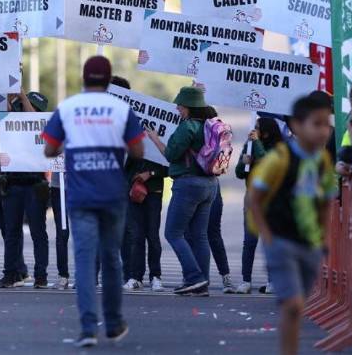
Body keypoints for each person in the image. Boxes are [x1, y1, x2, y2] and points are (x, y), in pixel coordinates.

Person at [42, 56, 144, 348]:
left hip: (80, 196)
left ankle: (88, 328)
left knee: (85, 262)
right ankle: (113, 324)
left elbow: (49, 149)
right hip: (112, 194)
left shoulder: (69, 107)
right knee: (112, 259)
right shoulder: (121, 109)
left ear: (84, 79)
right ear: (109, 79)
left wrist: (71, 141)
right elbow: (138, 150)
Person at [248, 93, 336, 355]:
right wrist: (267, 234)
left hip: (308, 242)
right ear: (296, 125)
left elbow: (326, 201)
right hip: (281, 240)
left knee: (299, 306)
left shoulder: (322, 162)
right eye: (316, 124)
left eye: (326, 125)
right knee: (293, 304)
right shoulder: (280, 158)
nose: (323, 131)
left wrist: (324, 236)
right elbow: (255, 198)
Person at [147, 86, 218, 296]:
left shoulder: (187, 127)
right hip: (210, 184)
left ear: (188, 107)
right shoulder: (210, 125)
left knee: (173, 233)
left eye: (180, 105)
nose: (177, 108)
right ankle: (200, 283)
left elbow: (170, 154)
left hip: (188, 184)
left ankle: (194, 277)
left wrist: (154, 138)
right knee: (200, 236)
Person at [0, 92, 43, 285]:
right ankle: (18, 269)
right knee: (6, 224)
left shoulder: (23, 106)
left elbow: (36, 122)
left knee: (14, 224)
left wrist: (22, 97)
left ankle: (14, 271)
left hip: (18, 170)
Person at [110, 76, 166, 294]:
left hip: (153, 190)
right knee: (134, 234)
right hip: (131, 189)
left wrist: (150, 173)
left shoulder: (159, 129)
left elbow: (171, 163)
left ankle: (156, 276)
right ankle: (135, 276)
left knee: (152, 234)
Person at [0, 92, 50, 289]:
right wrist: (11, 98)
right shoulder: (13, 122)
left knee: (38, 232)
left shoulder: (41, 123)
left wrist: (23, 97)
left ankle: (41, 275)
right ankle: (10, 273)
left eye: (30, 105)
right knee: (11, 232)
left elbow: (32, 117)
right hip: (13, 182)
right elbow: (5, 113)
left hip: (35, 184)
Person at [234, 115, 283, 294]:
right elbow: (239, 173)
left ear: (267, 133)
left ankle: (272, 281)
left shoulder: (278, 149)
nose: (253, 130)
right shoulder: (250, 145)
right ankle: (246, 280)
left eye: (257, 127)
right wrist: (244, 162)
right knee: (249, 241)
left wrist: (257, 146)